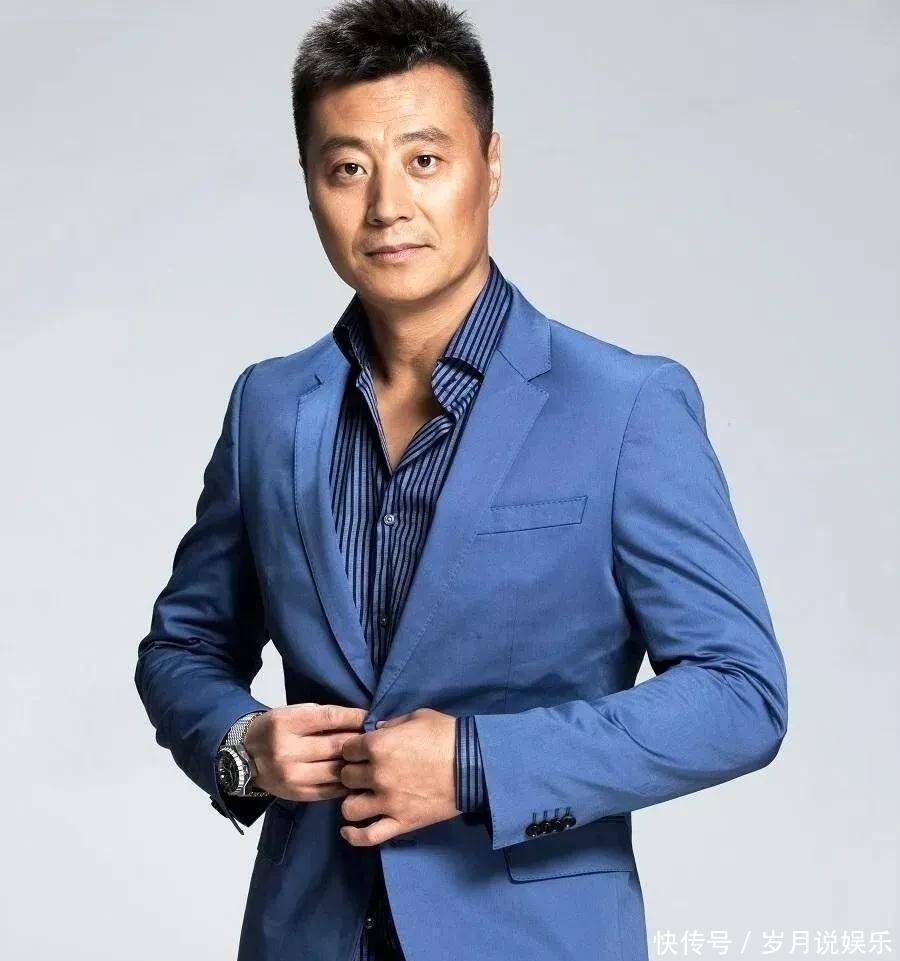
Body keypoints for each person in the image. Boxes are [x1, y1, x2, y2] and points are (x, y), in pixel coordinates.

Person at [134, 1, 789, 959]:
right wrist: (241, 744)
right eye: (347, 167)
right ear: (310, 186)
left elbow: (740, 694)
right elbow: (183, 646)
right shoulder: (269, 407)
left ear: (491, 164)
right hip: (306, 932)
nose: (386, 205)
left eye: (425, 160)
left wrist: (479, 763)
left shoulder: (625, 407)